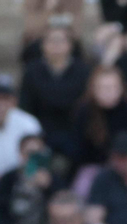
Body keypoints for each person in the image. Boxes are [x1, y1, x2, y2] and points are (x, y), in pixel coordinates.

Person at [21, 26, 92, 164]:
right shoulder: (31, 71)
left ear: (70, 45)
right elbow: (25, 105)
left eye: (61, 40)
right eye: (51, 40)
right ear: (43, 45)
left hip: (75, 131)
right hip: (41, 131)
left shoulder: (83, 71)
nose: (56, 45)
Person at [71, 65, 127, 181]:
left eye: (113, 87)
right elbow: (77, 150)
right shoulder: (83, 112)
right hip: (94, 168)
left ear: (121, 88)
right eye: (103, 88)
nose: (108, 92)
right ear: (93, 89)